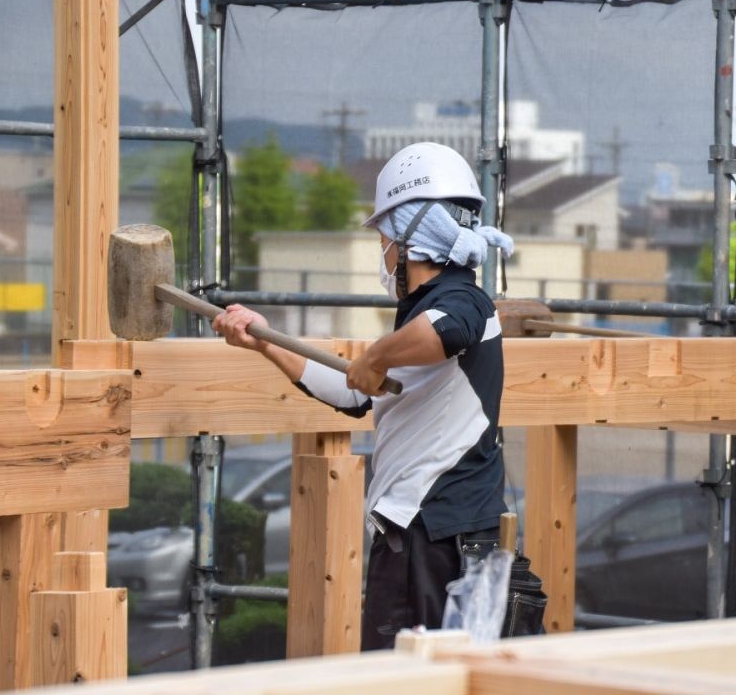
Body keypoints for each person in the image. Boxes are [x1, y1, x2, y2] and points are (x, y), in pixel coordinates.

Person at [212, 142, 515, 649]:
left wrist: (376, 356)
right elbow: (354, 393)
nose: (384, 252)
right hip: (423, 536)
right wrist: (261, 338)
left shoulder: (462, 300)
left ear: (410, 235)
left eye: (384, 239)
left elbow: (450, 330)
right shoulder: (420, 314)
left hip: (438, 536)